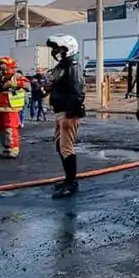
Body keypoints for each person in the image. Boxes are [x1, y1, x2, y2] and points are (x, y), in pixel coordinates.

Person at [46, 34, 85, 198]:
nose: (55, 51)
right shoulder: (61, 66)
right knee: (59, 146)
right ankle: (68, 179)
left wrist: (70, 113)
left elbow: (77, 92)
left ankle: (71, 183)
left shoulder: (72, 67)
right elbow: (56, 85)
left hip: (68, 113)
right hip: (60, 111)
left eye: (59, 48)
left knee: (66, 147)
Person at [0, 56, 29, 159]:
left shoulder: (16, 76)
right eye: (2, 68)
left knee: (10, 127)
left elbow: (27, 85)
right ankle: (6, 148)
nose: (4, 70)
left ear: (12, 67)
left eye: (6, 68)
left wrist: (13, 84)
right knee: (0, 128)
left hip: (10, 106)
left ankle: (13, 148)